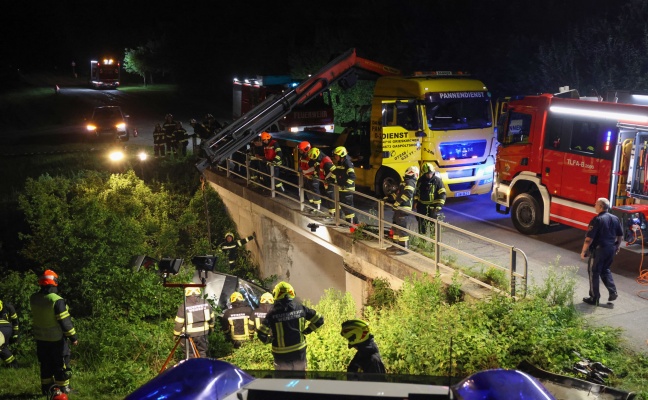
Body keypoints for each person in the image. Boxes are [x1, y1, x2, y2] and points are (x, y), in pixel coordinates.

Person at [30, 269, 78, 396]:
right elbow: (64, 321)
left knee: (45, 364)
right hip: (56, 340)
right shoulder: (57, 300)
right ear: (54, 283)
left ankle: (47, 389)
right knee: (60, 364)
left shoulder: (34, 298)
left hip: (40, 339)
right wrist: (73, 337)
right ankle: (63, 389)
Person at [257, 281, 324, 371]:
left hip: (281, 354)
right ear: (292, 293)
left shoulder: (272, 313)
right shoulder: (301, 308)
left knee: (284, 380)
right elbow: (319, 319)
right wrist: (307, 331)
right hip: (299, 351)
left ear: (276, 295)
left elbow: (261, 333)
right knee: (301, 378)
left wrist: (270, 340)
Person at [580, 197, 622, 306]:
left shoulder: (597, 220)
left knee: (594, 272)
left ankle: (594, 298)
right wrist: (617, 246)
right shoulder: (615, 218)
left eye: (596, 204)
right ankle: (613, 291)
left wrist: (583, 251)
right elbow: (620, 235)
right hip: (610, 249)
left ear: (601, 207)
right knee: (605, 270)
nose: (594, 206)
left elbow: (589, 239)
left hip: (599, 250)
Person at [385, 166, 418, 255]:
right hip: (399, 208)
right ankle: (396, 245)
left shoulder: (410, 182)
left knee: (402, 229)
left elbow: (408, 195)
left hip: (404, 208)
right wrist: (388, 199)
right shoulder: (404, 182)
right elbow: (398, 194)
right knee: (396, 227)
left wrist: (398, 203)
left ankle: (404, 248)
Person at [173, 287, 214, 358]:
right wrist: (211, 327)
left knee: (190, 354)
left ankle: (192, 367)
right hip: (203, 333)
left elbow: (179, 323)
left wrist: (176, 334)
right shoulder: (206, 303)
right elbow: (212, 317)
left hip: (189, 335)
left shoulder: (184, 306)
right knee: (202, 352)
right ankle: (203, 367)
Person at [414, 162, 447, 234]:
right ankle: (422, 243)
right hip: (422, 207)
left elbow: (443, 194)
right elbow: (417, 192)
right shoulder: (421, 180)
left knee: (433, 228)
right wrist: (416, 201)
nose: (429, 175)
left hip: (433, 208)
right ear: (424, 173)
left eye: (430, 173)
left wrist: (439, 206)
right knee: (422, 227)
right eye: (427, 174)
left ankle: (433, 244)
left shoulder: (438, 181)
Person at [330, 146, 359, 225]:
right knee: (344, 207)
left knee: (348, 208)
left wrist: (346, 185)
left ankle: (353, 224)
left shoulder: (347, 163)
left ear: (341, 155)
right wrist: (330, 179)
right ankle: (350, 222)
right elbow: (337, 172)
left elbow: (352, 176)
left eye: (336, 155)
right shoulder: (341, 163)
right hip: (342, 189)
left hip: (347, 190)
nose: (335, 157)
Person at [308, 147, 336, 216]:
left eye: (314, 158)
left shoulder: (326, 161)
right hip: (326, 181)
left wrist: (327, 179)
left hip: (330, 182)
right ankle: (331, 214)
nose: (314, 159)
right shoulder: (320, 159)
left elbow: (334, 171)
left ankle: (333, 214)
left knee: (331, 198)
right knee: (329, 197)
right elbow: (318, 168)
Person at [297, 141, 320, 211]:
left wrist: (306, 172)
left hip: (312, 177)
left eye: (301, 149)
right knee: (307, 190)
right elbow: (301, 164)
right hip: (306, 176)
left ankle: (317, 207)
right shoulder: (303, 156)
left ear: (305, 149)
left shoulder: (311, 157)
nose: (300, 151)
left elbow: (315, 168)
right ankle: (312, 204)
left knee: (314, 191)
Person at [0, 299, 19, 368]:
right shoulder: (8, 306)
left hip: (5, 329)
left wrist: (15, 334)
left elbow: (15, 321)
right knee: (2, 347)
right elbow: (15, 321)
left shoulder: (8, 307)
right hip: (7, 329)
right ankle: (12, 363)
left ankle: (12, 363)